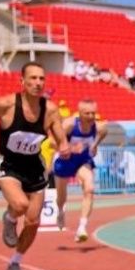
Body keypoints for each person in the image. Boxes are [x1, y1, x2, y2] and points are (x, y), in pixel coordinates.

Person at [0, 62, 69, 270]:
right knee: (20, 205)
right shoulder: (6, 105)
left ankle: (15, 263)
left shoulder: (49, 109)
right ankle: (10, 217)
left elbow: (60, 134)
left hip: (34, 167)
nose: (37, 83)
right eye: (32, 78)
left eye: (41, 79)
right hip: (8, 164)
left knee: (33, 222)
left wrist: (64, 146)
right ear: (21, 81)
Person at [51, 99, 107, 242]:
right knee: (61, 197)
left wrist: (94, 146)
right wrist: (69, 148)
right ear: (80, 113)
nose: (90, 116)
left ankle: (82, 227)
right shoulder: (69, 125)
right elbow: (51, 143)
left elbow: (103, 134)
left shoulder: (99, 127)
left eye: (93, 113)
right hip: (65, 161)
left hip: (83, 161)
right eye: (87, 113)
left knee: (90, 189)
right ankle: (60, 211)